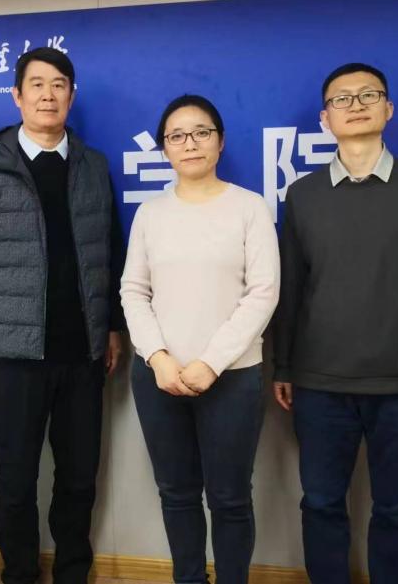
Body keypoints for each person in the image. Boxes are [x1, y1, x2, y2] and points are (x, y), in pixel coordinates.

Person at [272, 63, 398, 584]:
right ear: (325, 119)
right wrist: (283, 366)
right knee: (320, 504)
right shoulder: (303, 195)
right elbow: (291, 290)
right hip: (320, 385)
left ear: (389, 109)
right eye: (342, 98)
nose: (356, 105)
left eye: (369, 95)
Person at [0, 47, 125, 584]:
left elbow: (110, 251)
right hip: (13, 356)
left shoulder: (93, 166)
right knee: (16, 480)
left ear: (71, 95)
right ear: (17, 95)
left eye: (59, 85)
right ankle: (20, 574)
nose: (48, 95)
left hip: (82, 352)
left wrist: (113, 326)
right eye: (37, 84)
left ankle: (73, 572)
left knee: (79, 478)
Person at [120, 94, 279, 584]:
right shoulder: (151, 213)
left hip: (232, 377)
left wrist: (210, 362)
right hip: (159, 378)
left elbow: (263, 293)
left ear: (220, 141)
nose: (190, 144)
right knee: (177, 493)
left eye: (201, 132)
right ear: (165, 148)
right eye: (177, 136)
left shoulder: (249, 208)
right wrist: (158, 357)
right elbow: (133, 290)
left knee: (230, 498)